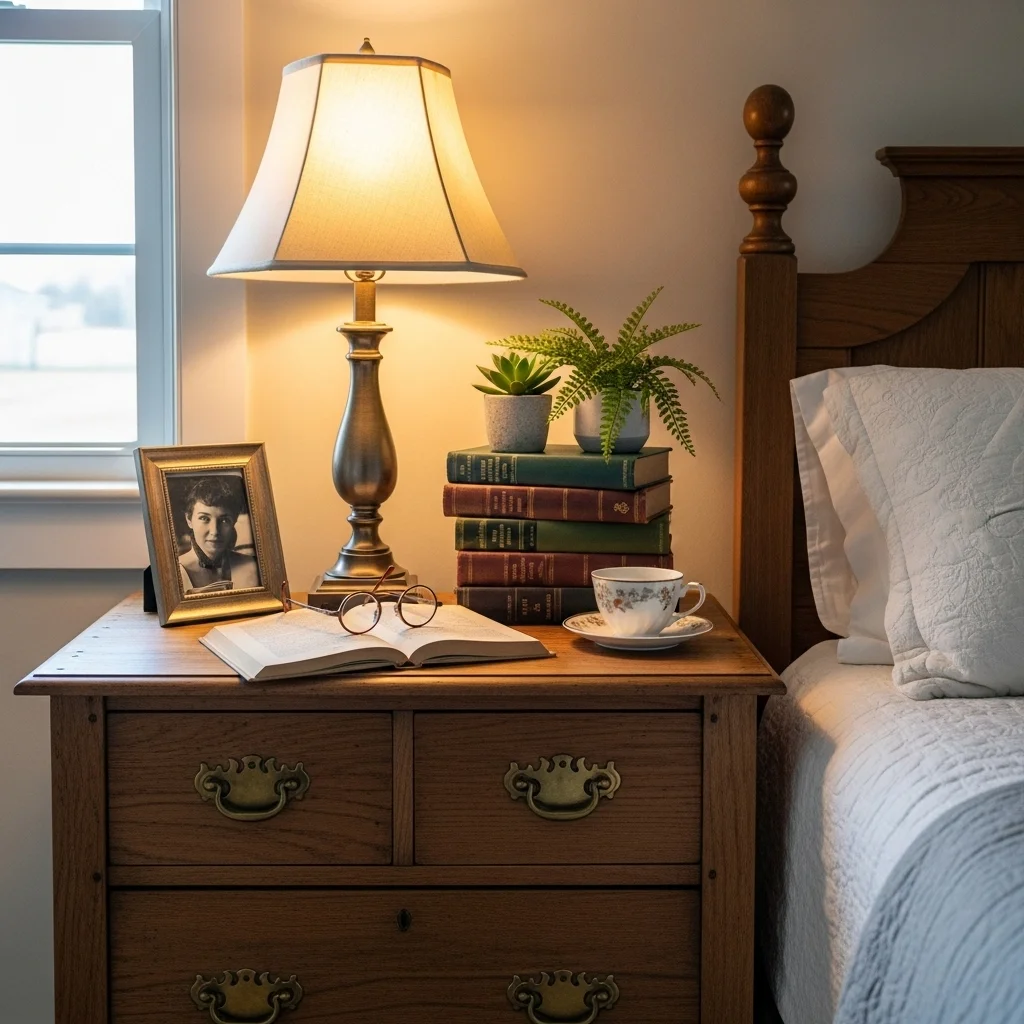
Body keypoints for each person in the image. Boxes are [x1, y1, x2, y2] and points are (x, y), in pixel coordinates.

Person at [177, 476, 260, 594]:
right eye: (204, 518)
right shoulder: (174, 573)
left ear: (234, 521)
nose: (215, 531)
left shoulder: (254, 566)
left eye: (225, 520)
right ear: (189, 520)